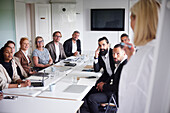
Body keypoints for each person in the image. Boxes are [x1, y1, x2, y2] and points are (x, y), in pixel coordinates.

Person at [118, 0, 160, 113]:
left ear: (138, 21)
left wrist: (134, 62)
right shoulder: (159, 51)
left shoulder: (142, 59)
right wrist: (132, 58)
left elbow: (131, 106)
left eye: (131, 17)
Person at [88, 44, 127, 113]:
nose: (114, 56)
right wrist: (104, 83)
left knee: (91, 98)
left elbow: (117, 87)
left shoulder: (124, 66)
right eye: (113, 53)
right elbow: (113, 76)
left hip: (116, 95)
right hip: (113, 91)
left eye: (118, 54)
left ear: (124, 53)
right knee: (91, 90)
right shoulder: (120, 63)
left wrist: (103, 86)